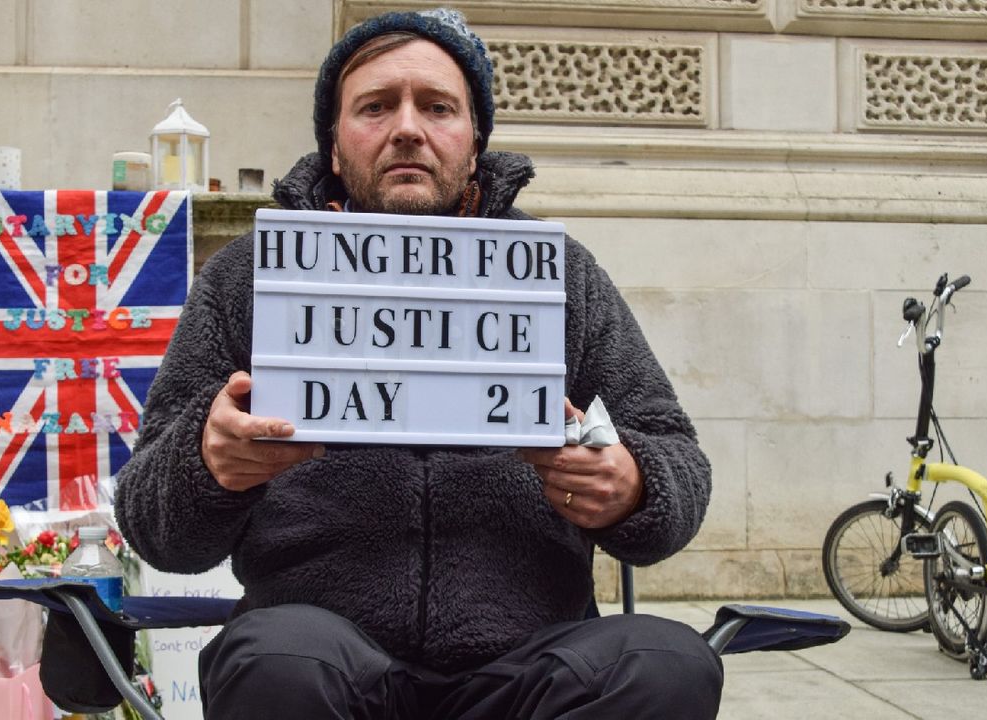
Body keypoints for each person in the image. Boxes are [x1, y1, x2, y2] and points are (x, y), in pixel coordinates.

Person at [115, 8, 722, 718]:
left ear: (473, 144)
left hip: (529, 668)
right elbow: (150, 520)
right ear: (335, 146)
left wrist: (632, 484)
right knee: (280, 659)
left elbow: (678, 456)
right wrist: (206, 463)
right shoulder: (247, 279)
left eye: (437, 107)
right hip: (320, 663)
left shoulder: (562, 276)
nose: (408, 127)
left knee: (669, 662)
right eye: (376, 107)